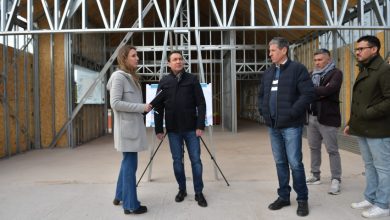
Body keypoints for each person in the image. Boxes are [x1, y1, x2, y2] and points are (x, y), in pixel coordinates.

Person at [258, 37, 314, 217]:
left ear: (284, 50)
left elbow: (307, 94)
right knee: (280, 162)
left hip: (291, 125)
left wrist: (292, 112)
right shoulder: (268, 72)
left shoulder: (297, 69)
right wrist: (263, 112)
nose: (270, 53)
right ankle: (283, 196)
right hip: (273, 126)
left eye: (273, 50)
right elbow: (261, 96)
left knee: (295, 163)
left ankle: (302, 199)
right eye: (269, 50)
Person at [344, 35, 390, 218]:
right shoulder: (366, 69)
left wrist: (368, 113)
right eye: (357, 49)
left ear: (374, 49)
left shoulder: (384, 70)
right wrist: (351, 123)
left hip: (378, 129)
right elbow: (360, 101)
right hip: (363, 127)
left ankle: (383, 203)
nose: (357, 52)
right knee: (369, 165)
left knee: (383, 167)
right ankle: (371, 197)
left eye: (362, 48)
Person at [154, 51, 208, 207]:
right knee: (177, 161)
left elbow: (201, 104)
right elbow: (158, 107)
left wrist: (200, 125)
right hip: (173, 131)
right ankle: (182, 189)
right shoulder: (164, 82)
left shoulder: (192, 79)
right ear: (169, 63)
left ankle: (198, 192)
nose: (178, 61)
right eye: (174, 59)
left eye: (180, 59)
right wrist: (159, 128)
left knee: (196, 161)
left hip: (192, 129)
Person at [107, 45, 152, 215]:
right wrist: (142, 107)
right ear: (124, 58)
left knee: (127, 163)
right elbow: (115, 103)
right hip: (127, 130)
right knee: (130, 165)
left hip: (131, 128)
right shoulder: (119, 77)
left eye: (137, 55)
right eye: (133, 55)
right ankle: (131, 205)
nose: (137, 58)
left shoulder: (131, 77)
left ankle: (119, 195)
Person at [306, 49, 343, 195]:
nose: (317, 63)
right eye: (315, 60)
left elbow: (330, 90)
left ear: (329, 59)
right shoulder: (311, 74)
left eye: (320, 60)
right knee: (314, 148)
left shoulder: (336, 73)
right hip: (311, 117)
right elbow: (304, 90)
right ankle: (315, 175)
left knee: (332, 150)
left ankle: (336, 179)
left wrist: (313, 91)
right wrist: (319, 92)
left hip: (328, 117)